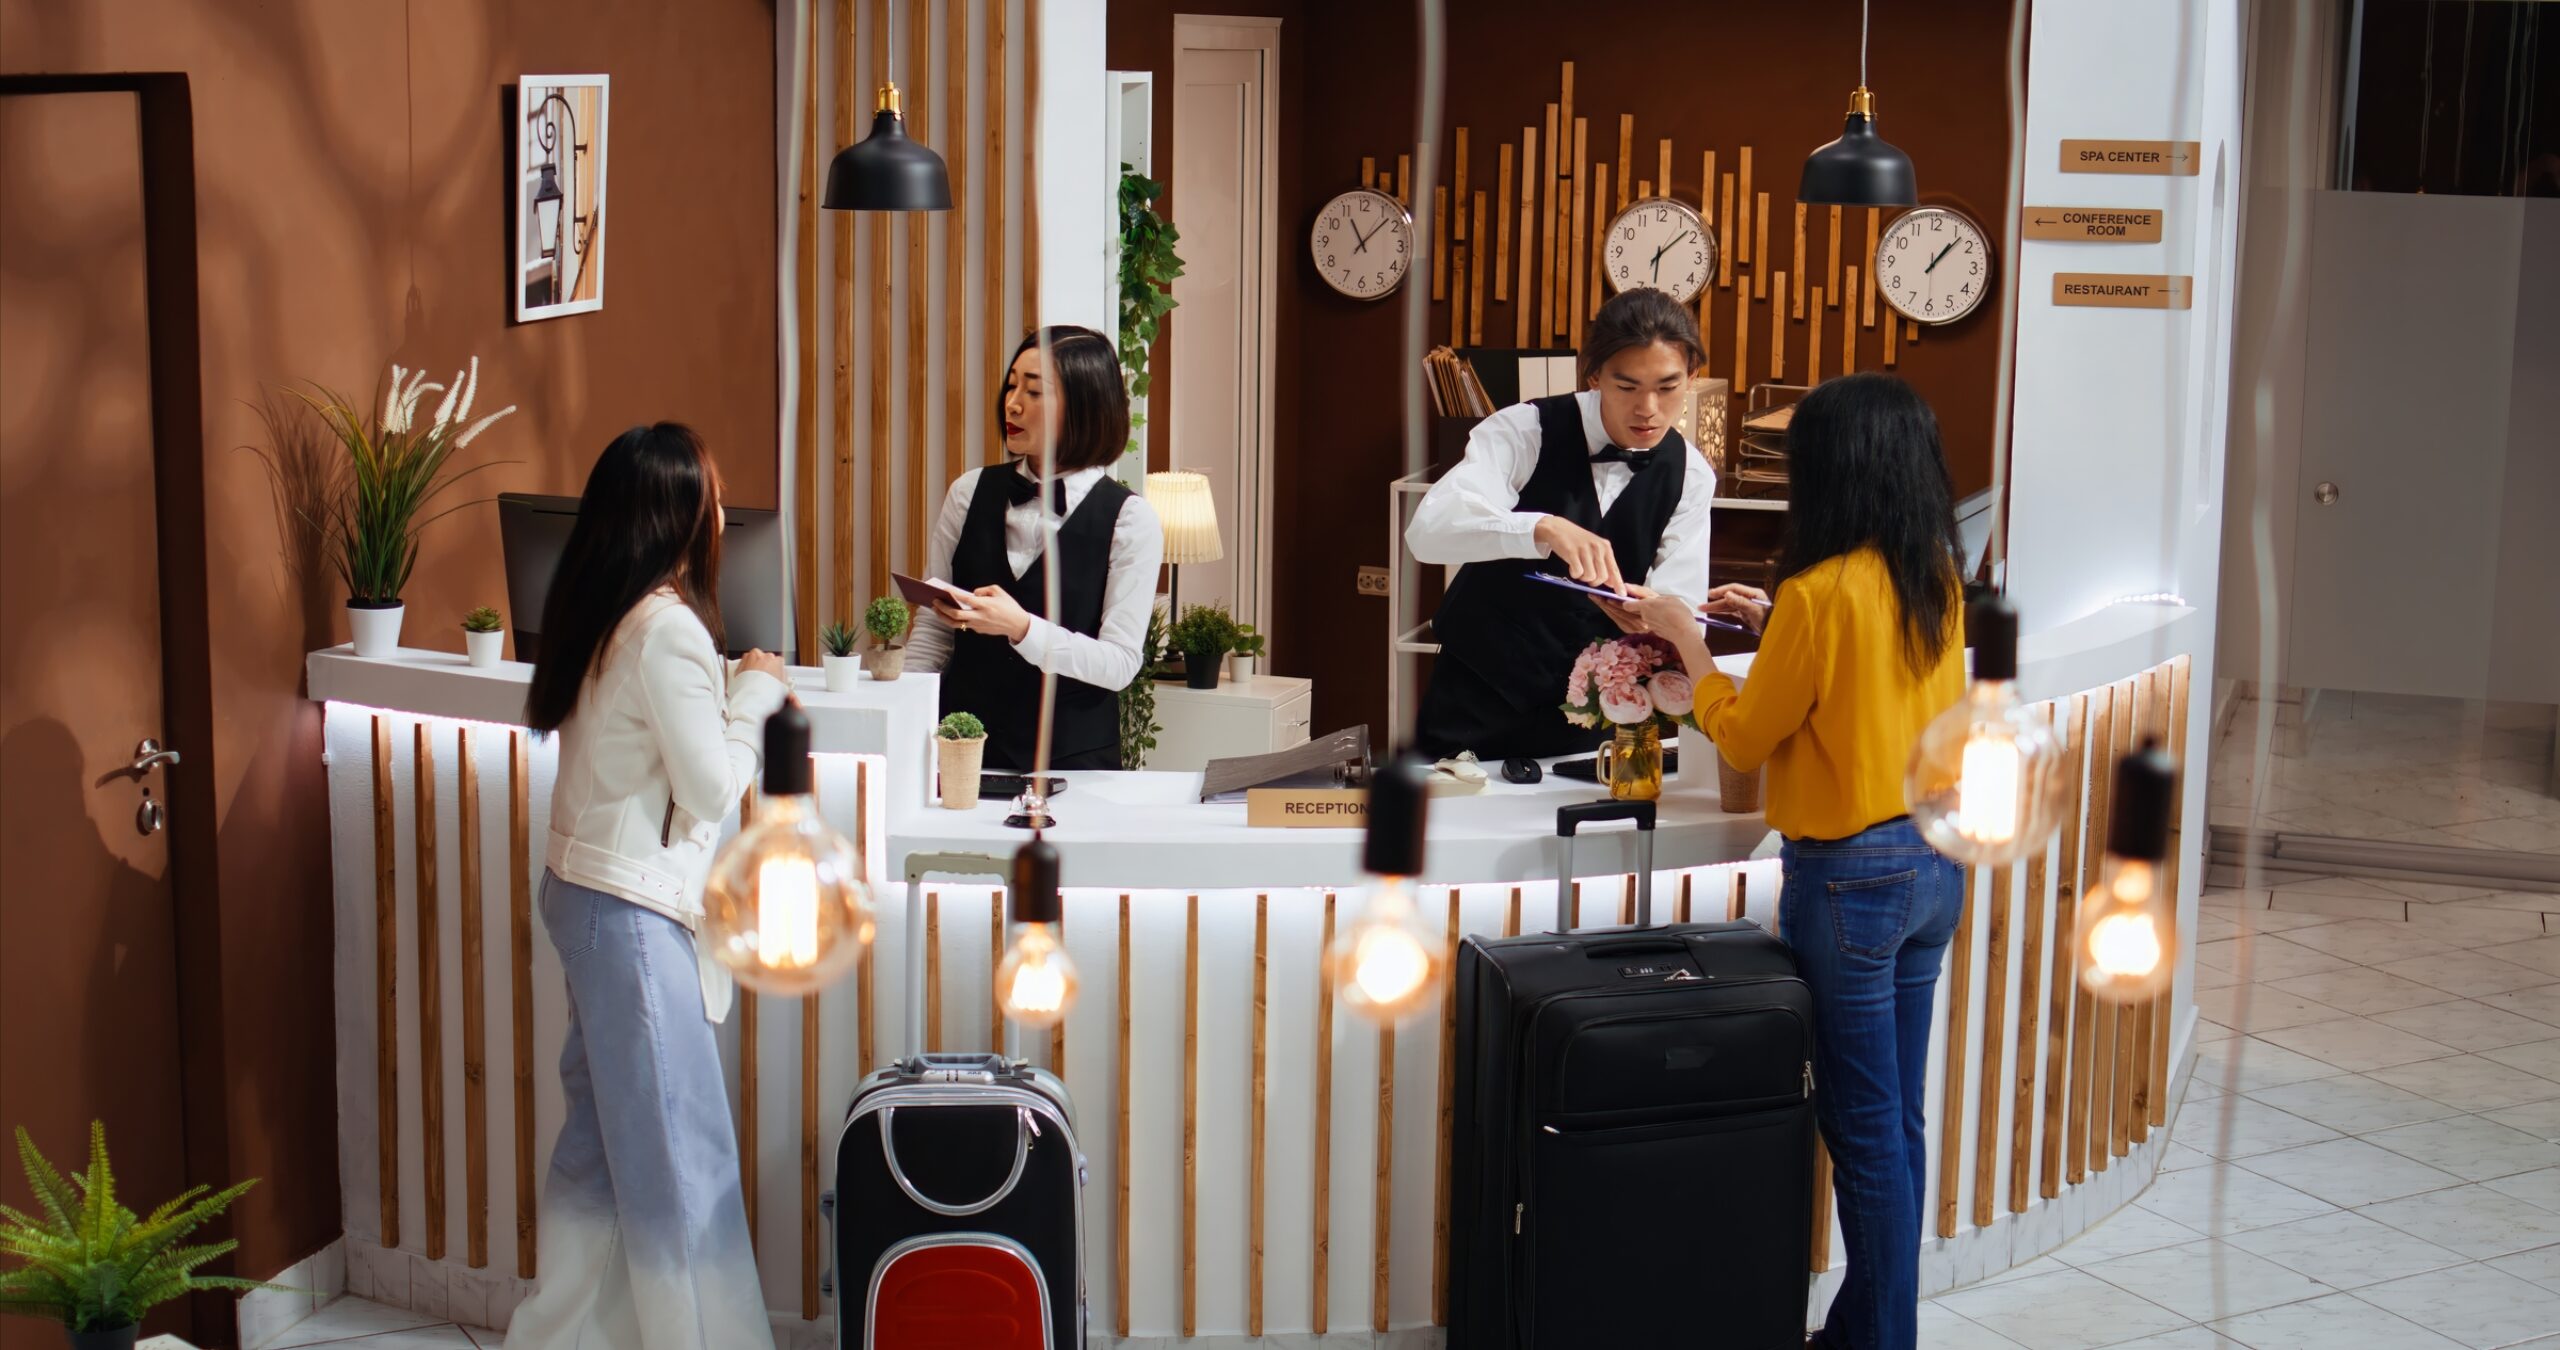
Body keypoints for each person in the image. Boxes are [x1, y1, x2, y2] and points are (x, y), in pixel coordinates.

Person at [1625, 372, 1967, 1350]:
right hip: (1933, 864)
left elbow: (1737, 734)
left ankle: (1880, 1342)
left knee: (1860, 1134)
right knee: (1895, 1123)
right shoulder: (1930, 575)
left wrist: (1687, 638)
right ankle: (1863, 1331)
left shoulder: (1821, 594)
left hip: (1851, 879)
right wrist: (1774, 624)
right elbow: (1875, 688)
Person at [512, 423, 786, 1350]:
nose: (722, 510)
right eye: (712, 493)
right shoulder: (666, 625)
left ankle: (557, 1338)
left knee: (596, 1158)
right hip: (629, 913)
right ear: (681, 512)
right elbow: (712, 783)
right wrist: (753, 692)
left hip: (584, 895)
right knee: (682, 1160)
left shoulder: (606, 610)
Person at [1406, 286, 1715, 761]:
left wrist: (1654, 614)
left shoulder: (1691, 474)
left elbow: (1683, 602)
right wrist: (1541, 527)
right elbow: (1428, 532)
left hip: (1595, 712)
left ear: (1692, 377)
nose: (1648, 408)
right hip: (1480, 693)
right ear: (1595, 376)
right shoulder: (1523, 431)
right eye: (1627, 386)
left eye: (1667, 387)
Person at [906, 326, 1163, 770]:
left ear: (1083, 406)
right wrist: (901, 717)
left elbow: (1119, 664)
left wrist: (1022, 627)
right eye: (1011, 386)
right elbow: (933, 633)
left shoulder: (1130, 520)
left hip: (1073, 767)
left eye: (1034, 391)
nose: (1012, 404)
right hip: (962, 753)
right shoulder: (968, 492)